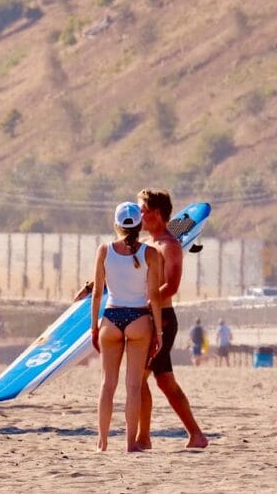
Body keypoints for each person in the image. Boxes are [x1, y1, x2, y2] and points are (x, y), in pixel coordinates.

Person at [135, 188, 209, 449]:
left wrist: (146, 304)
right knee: (165, 381)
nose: (139, 216)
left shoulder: (170, 246)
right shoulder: (144, 244)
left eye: (142, 211)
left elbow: (172, 286)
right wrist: (90, 287)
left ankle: (143, 438)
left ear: (155, 213)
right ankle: (196, 435)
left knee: (138, 378)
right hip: (144, 316)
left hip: (161, 319)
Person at [91, 202, 163, 452]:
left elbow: (97, 294)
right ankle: (131, 443)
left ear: (116, 225)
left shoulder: (104, 250)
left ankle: (102, 442)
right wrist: (159, 332)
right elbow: (154, 295)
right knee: (133, 386)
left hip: (110, 318)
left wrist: (93, 327)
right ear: (140, 225)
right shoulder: (150, 253)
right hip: (139, 319)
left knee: (107, 384)